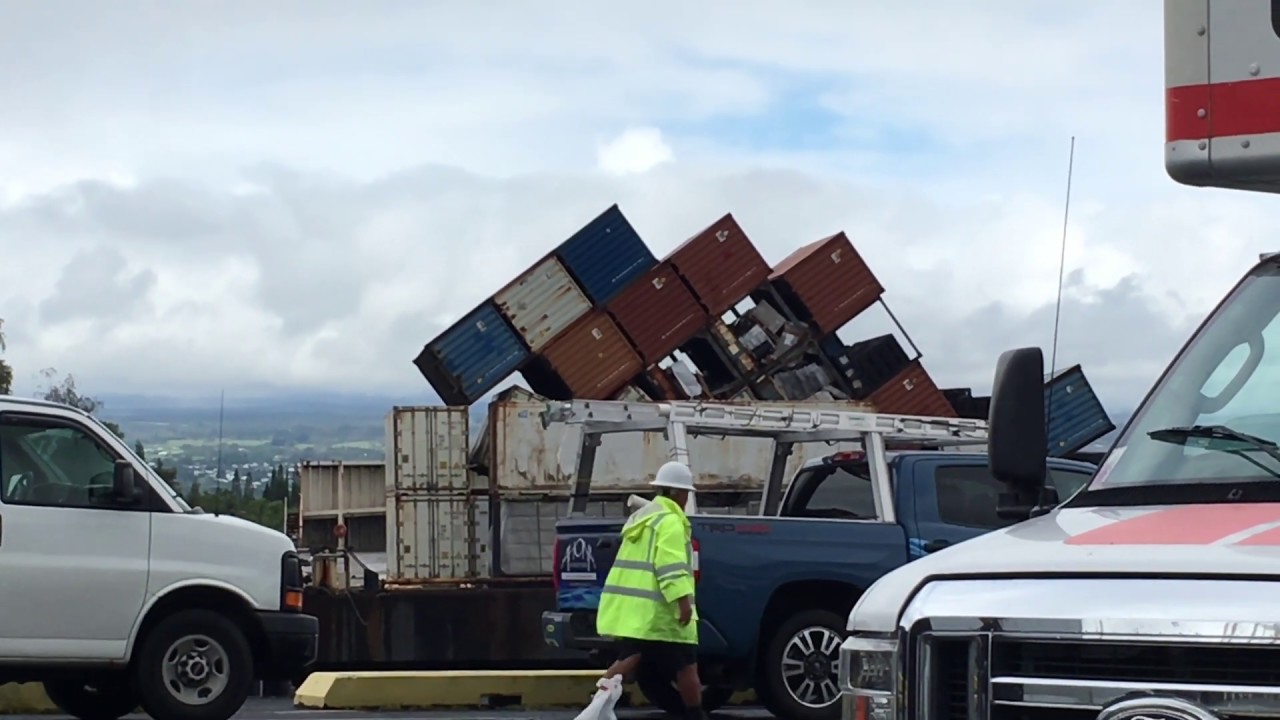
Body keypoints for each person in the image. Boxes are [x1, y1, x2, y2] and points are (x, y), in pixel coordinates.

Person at [588, 460, 703, 720]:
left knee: (631, 657)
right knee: (687, 664)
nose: (687, 498)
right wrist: (683, 602)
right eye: (686, 492)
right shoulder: (672, 522)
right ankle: (696, 716)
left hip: (639, 612)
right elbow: (670, 566)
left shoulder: (643, 517)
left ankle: (593, 705)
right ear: (676, 492)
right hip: (663, 612)